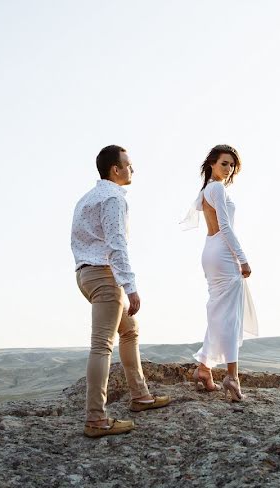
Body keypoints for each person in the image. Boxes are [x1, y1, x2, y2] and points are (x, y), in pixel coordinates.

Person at [71, 145, 171, 437]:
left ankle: (140, 396)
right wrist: (131, 287)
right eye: (128, 165)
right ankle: (96, 419)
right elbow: (117, 244)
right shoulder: (113, 198)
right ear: (115, 169)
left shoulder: (87, 198)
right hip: (104, 275)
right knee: (102, 345)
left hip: (85, 274)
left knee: (129, 330)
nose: (132, 169)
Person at [181, 144, 258, 401]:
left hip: (209, 251)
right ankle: (232, 377)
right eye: (224, 163)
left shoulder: (205, 190)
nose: (228, 169)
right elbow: (225, 227)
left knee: (218, 311)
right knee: (230, 315)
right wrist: (243, 259)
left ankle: (204, 369)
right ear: (212, 163)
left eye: (232, 165)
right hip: (222, 252)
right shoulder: (217, 188)